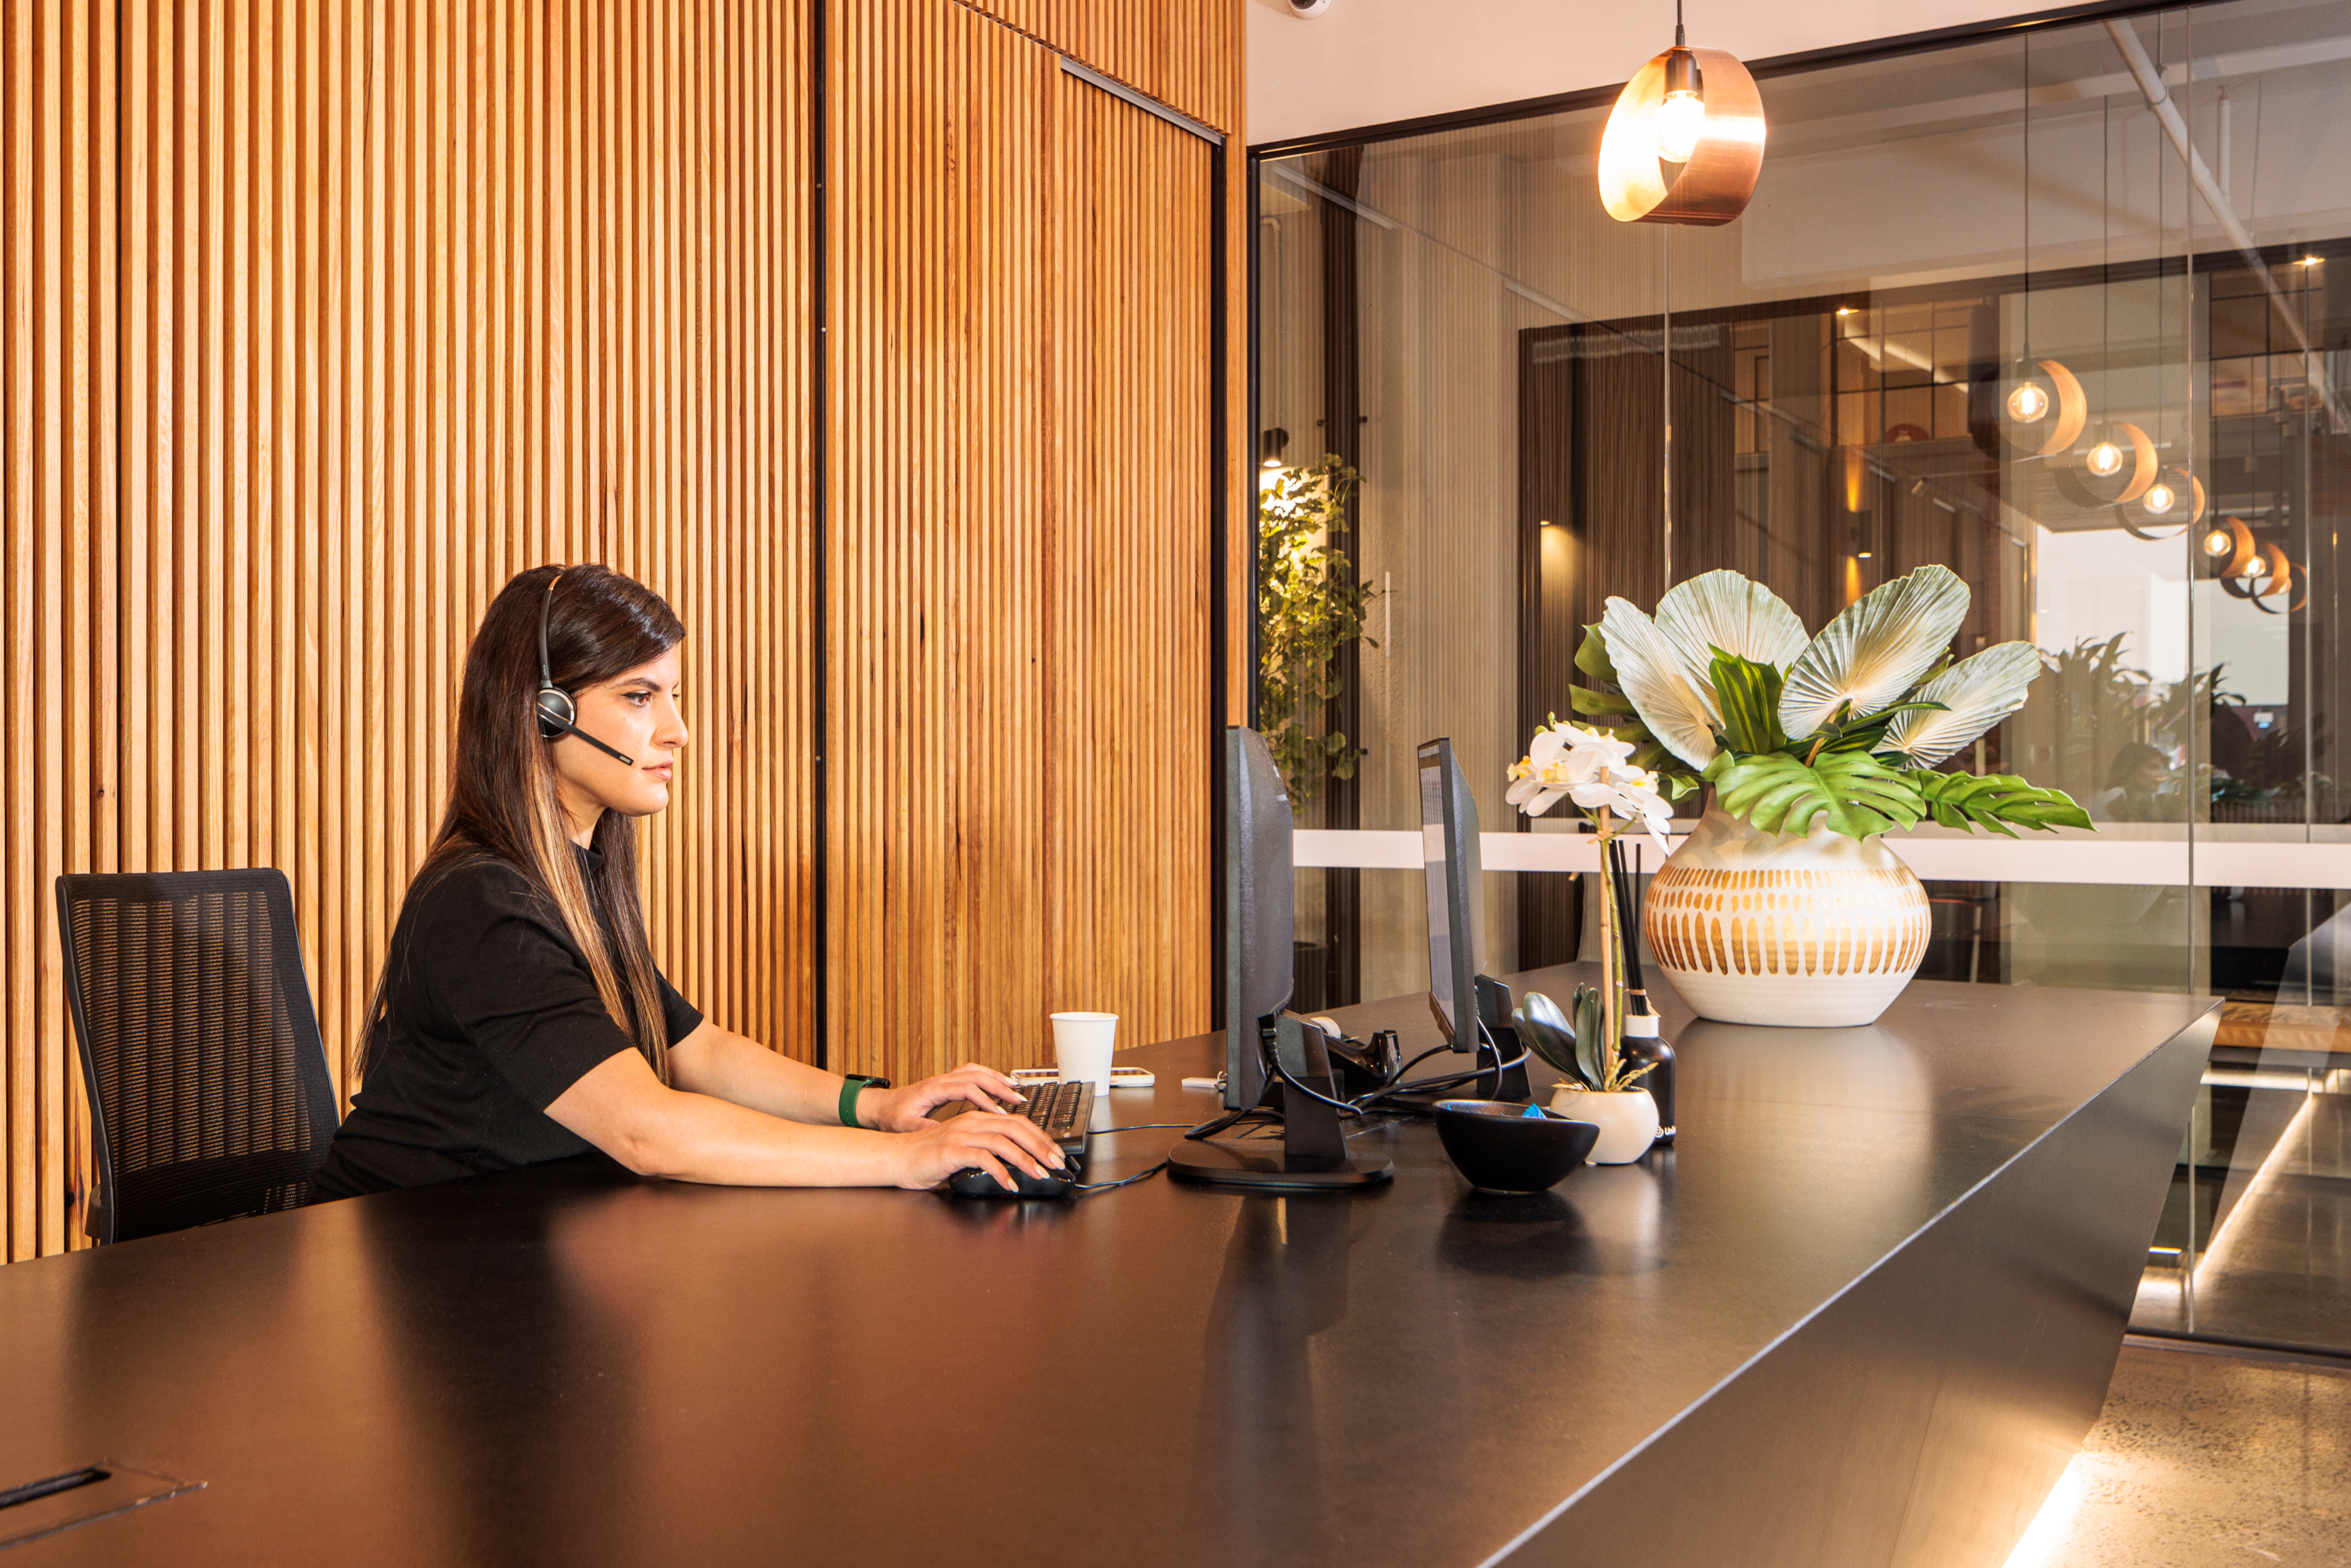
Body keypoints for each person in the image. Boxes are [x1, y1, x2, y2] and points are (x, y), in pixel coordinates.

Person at [309, 564, 1065, 1199]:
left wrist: (874, 1106)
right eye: (640, 698)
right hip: (401, 1272)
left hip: (504, 1247)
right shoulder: (485, 905)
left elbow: (693, 1050)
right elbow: (647, 1129)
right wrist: (912, 1159)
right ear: (544, 716)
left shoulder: (573, 876)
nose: (678, 729)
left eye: (673, 696)